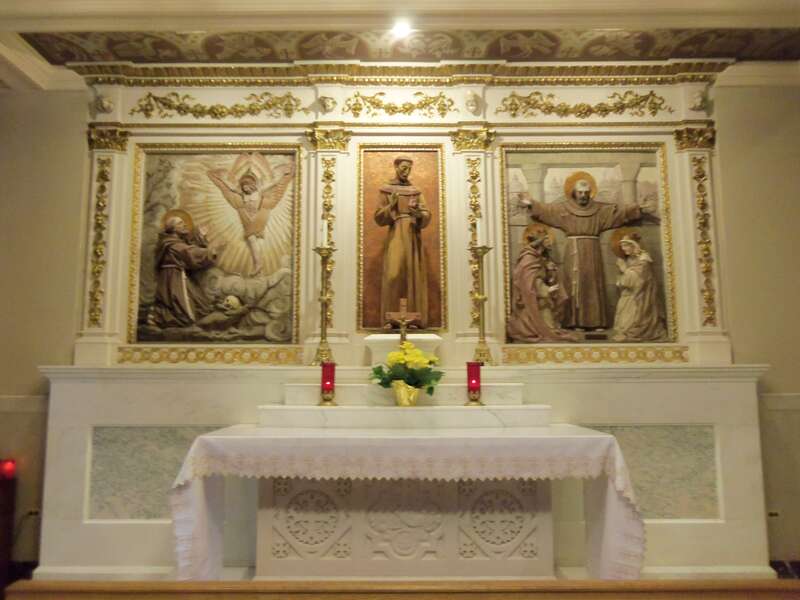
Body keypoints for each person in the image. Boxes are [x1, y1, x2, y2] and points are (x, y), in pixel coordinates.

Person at [520, 171, 656, 330]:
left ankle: (596, 321)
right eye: (580, 192)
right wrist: (532, 204)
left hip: (592, 251)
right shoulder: (564, 209)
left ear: (590, 193)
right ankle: (575, 322)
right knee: (574, 285)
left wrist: (637, 208)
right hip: (573, 250)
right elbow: (547, 210)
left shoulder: (598, 210)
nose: (583, 195)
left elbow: (618, 212)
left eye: (586, 192)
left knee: (593, 285)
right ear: (574, 192)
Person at [207, 158, 293, 276]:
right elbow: (231, 187)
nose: (245, 188)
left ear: (252, 185)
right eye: (243, 187)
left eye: (247, 186)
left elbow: (274, 183)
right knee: (253, 240)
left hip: (259, 217)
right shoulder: (242, 194)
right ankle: (259, 265)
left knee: (251, 239)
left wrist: (284, 175)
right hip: (247, 219)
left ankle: (258, 264)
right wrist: (221, 179)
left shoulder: (259, 191)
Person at [374, 155, 431, 329]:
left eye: (409, 168)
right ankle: (391, 319)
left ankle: (413, 319)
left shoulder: (415, 190)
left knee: (412, 274)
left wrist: (418, 214)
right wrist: (391, 205)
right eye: (403, 167)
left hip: (413, 234)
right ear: (396, 167)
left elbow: (426, 213)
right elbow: (378, 217)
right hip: (397, 232)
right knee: (394, 273)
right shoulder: (386, 190)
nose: (406, 171)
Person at [148, 213, 222, 329]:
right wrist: (210, 251)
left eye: (184, 223)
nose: (184, 225)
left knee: (196, 301)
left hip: (176, 275)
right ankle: (164, 319)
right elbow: (188, 252)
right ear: (173, 228)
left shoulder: (175, 242)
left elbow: (189, 248)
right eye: (180, 223)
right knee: (178, 304)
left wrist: (200, 236)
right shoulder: (171, 244)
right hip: (173, 277)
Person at [507, 225, 577, 343]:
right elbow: (529, 282)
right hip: (535, 304)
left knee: (550, 323)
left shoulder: (541, 258)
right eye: (547, 239)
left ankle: (549, 330)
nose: (550, 242)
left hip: (543, 301)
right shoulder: (528, 259)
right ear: (539, 241)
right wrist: (546, 290)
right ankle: (539, 330)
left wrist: (551, 272)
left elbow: (545, 277)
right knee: (548, 325)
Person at [612, 233, 666, 342]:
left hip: (640, 296)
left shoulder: (644, 259)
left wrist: (623, 269)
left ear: (634, 245)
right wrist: (621, 278)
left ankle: (635, 333)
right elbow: (625, 279)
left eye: (626, 245)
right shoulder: (630, 259)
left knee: (634, 318)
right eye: (622, 246)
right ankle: (626, 333)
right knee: (624, 316)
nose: (623, 249)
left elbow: (637, 279)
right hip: (629, 294)